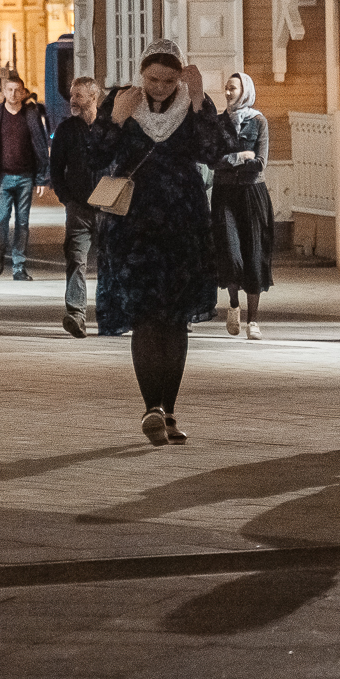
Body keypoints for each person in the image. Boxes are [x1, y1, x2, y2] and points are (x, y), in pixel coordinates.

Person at [87, 39, 223, 446]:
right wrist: (113, 120)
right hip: (133, 227)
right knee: (146, 318)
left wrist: (199, 102)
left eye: (168, 80)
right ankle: (152, 408)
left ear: (180, 76)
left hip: (183, 223)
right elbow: (95, 156)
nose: (160, 87)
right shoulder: (123, 101)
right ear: (141, 73)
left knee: (175, 320)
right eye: (152, 79)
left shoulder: (195, 104)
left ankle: (169, 409)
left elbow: (214, 153)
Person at [212, 72, 275, 338]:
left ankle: (254, 321)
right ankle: (234, 304)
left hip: (252, 194)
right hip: (225, 194)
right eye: (226, 88)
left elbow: (260, 162)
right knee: (231, 252)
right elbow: (212, 160)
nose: (228, 92)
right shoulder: (218, 122)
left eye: (233, 88)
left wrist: (231, 160)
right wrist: (239, 156)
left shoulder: (258, 121)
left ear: (244, 91)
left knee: (255, 255)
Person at [0, 78, 51, 278]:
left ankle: (18, 266)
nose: (14, 94)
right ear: (3, 92)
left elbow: (41, 146)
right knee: (1, 220)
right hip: (2, 178)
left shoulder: (31, 115)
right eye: (10, 90)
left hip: (25, 177)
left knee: (22, 223)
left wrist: (42, 178)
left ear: (24, 93)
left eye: (18, 90)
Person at [49, 75, 104, 338]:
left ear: (94, 98)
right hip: (78, 209)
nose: (72, 100)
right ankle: (76, 315)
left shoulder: (110, 128)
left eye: (78, 96)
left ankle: (108, 315)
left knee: (111, 262)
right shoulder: (66, 130)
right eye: (72, 94)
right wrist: (67, 199)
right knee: (75, 259)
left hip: (108, 209)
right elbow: (55, 169)